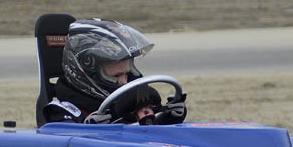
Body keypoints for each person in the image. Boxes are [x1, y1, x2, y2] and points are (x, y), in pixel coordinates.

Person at [43, 19, 186, 125]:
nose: (124, 82)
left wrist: (169, 117)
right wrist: (90, 129)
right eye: (116, 75)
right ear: (88, 74)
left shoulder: (131, 105)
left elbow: (148, 136)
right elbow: (63, 142)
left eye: (127, 74)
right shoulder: (60, 111)